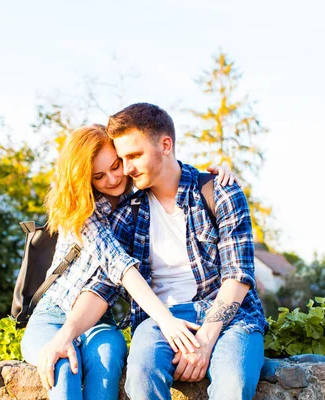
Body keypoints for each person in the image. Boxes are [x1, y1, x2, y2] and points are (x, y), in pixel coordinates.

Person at [20, 124, 237, 400]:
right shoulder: (83, 213)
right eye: (99, 176)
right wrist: (166, 321)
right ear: (85, 179)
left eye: (115, 166)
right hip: (54, 315)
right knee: (63, 367)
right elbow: (121, 267)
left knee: (108, 368)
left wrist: (214, 178)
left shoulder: (135, 196)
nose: (112, 179)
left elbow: (166, 170)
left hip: (99, 319)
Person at [85, 103, 268, 400]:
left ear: (165, 145)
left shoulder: (219, 191)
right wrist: (65, 335)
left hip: (230, 318)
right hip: (161, 321)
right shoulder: (129, 212)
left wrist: (205, 341)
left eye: (134, 155)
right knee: (142, 380)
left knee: (233, 385)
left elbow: (238, 275)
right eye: (123, 158)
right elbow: (106, 281)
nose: (127, 168)